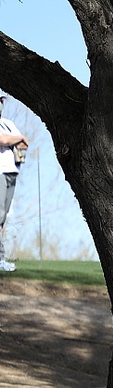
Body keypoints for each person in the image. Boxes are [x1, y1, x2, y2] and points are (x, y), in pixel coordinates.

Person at [0, 93, 28, 272]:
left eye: (1, 101)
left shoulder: (7, 123)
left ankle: (1, 259)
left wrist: (15, 140)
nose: (1, 104)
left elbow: (25, 144)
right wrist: (16, 139)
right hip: (0, 172)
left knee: (3, 219)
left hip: (12, 173)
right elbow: (3, 140)